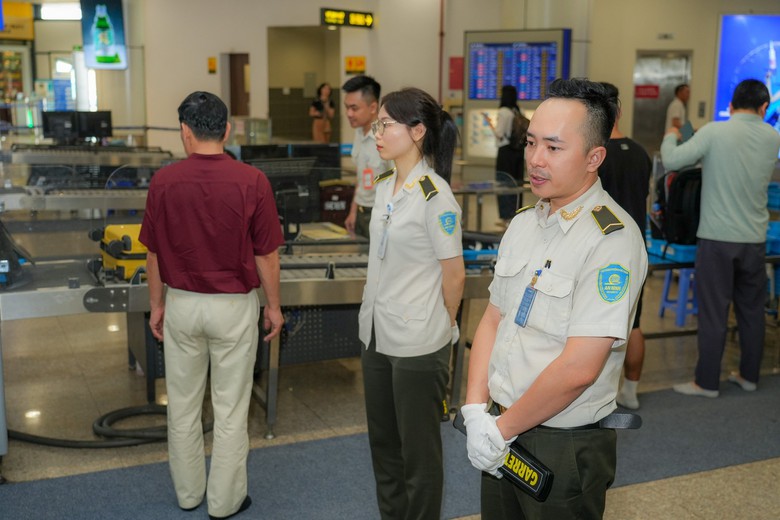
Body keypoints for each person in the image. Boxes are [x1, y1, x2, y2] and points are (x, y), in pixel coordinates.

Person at [462, 78, 647, 519]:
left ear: (594, 157)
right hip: (498, 429)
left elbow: (580, 367)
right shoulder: (526, 222)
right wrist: (474, 411)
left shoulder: (611, 241)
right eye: (530, 143)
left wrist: (499, 429)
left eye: (553, 147)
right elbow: (493, 319)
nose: (535, 160)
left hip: (562, 441)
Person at [139, 91, 284, 519]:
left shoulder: (163, 181)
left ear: (185, 132)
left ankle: (187, 495)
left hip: (182, 303)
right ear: (228, 130)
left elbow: (151, 253)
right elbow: (266, 255)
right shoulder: (251, 180)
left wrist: (157, 304)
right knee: (230, 407)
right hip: (234, 307)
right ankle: (224, 503)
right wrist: (273, 306)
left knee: (182, 405)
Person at [358, 87, 465, 519]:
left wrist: (445, 328)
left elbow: (453, 273)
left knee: (419, 455)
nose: (377, 132)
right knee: (384, 446)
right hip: (376, 333)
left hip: (419, 341)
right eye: (376, 125)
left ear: (418, 131)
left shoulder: (436, 195)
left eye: (385, 124)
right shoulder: (385, 187)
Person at [661, 79, 780, 398]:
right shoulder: (772, 137)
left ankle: (707, 382)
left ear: (731, 104)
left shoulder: (716, 131)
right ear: (763, 108)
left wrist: (671, 136)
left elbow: (673, 161)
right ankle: (749, 376)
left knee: (715, 311)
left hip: (717, 239)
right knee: (751, 311)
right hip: (754, 239)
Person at [598, 82, 653, 410]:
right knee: (633, 323)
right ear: (619, 112)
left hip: (600, 249)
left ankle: (596, 394)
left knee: (594, 326)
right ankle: (630, 391)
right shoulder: (640, 153)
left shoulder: (593, 155)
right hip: (635, 249)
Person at [341, 75, 392, 239]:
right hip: (362, 211)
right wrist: (353, 211)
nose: (348, 113)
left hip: (382, 214)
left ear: (372, 107)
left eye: (354, 108)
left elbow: (399, 177)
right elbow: (361, 177)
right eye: (346, 107)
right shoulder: (358, 132)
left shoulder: (386, 136)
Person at [483, 85, 528, 225]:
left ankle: (506, 217)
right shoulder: (517, 111)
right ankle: (516, 215)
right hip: (517, 152)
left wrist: (490, 123)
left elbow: (499, 134)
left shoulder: (503, 112)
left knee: (504, 182)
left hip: (505, 152)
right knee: (516, 184)